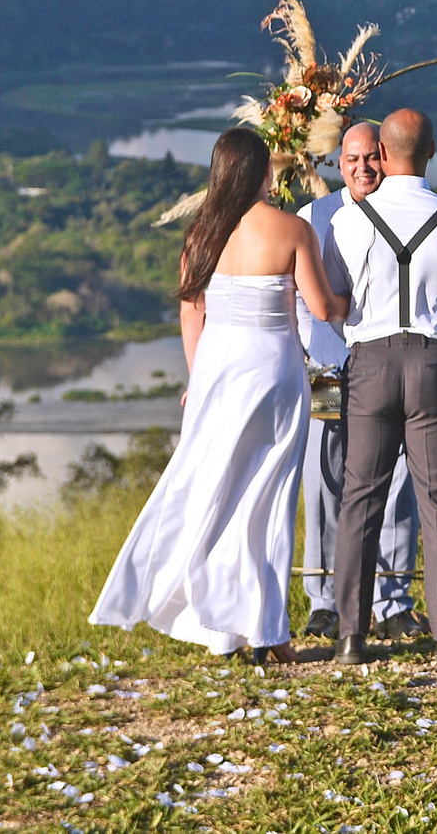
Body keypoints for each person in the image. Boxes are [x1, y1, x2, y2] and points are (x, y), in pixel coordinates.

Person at [91, 128, 345, 660]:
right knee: (269, 497)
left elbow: (191, 311)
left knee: (213, 492)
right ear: (259, 172)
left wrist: (196, 379)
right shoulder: (292, 228)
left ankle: (222, 628)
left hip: (217, 369)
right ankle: (267, 633)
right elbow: (323, 309)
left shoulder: (200, 235)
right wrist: (359, 296)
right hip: (273, 369)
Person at [331, 107, 437, 664]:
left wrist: (365, 335)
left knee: (359, 499)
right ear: (430, 152)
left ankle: (351, 636)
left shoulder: (347, 222)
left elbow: (335, 305)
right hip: (434, 362)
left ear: (383, 154)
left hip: (369, 365)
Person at [295, 121, 424, 642]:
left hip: (388, 367)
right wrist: (322, 356)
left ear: (387, 157)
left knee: (397, 481)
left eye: (371, 157)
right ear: (338, 163)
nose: (363, 169)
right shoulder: (314, 216)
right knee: (322, 478)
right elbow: (304, 302)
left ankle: (391, 599)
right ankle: (323, 599)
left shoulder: (409, 213)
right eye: (352, 160)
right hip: (329, 369)